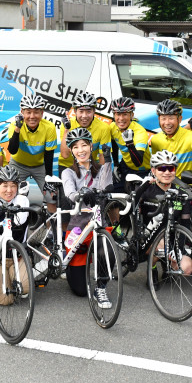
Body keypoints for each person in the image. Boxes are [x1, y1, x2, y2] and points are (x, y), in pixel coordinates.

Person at [60, 128, 114, 307]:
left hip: (98, 222)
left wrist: (108, 162)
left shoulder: (100, 169)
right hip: (78, 225)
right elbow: (69, 192)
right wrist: (79, 195)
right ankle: (71, 269)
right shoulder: (69, 172)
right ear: (72, 151)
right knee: (81, 291)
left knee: (106, 248)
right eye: (75, 147)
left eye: (84, 145)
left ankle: (101, 287)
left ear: (91, 147)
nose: (80, 150)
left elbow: (107, 186)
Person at [142, 151, 192, 282]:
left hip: (172, 240)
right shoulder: (146, 191)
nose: (167, 172)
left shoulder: (182, 194)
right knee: (161, 245)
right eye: (162, 168)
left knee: (186, 267)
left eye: (170, 168)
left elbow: (185, 225)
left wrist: (179, 250)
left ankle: (167, 266)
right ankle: (152, 267)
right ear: (154, 171)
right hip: (149, 238)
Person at [0, 166, 32, 304]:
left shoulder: (22, 201)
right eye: (4, 185)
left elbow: (19, 221)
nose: (9, 190)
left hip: (18, 256)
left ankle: (17, 277)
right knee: (6, 301)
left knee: (24, 288)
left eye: (13, 185)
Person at [7, 94, 57, 210]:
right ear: (22, 112)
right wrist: (17, 129)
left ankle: (52, 227)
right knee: (10, 195)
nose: (32, 116)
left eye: (36, 112)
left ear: (42, 113)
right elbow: (12, 150)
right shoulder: (14, 126)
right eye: (28, 112)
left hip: (40, 166)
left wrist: (48, 180)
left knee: (52, 198)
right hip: (18, 164)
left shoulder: (49, 127)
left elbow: (49, 156)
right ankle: (14, 224)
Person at [150, 99, 192, 177]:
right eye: (163, 119)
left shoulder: (190, 136)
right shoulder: (155, 139)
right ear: (159, 120)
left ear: (180, 119)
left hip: (191, 186)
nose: (167, 123)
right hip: (168, 185)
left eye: (171, 118)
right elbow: (156, 166)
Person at [58, 91, 112, 177]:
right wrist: (66, 129)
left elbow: (103, 156)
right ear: (75, 111)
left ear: (94, 111)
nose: (84, 116)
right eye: (81, 111)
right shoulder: (67, 125)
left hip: (89, 166)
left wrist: (102, 177)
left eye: (88, 111)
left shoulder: (103, 127)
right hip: (67, 166)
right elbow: (65, 155)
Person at [109, 97, 151, 187]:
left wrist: (130, 144)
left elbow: (138, 162)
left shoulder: (140, 132)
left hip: (142, 171)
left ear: (131, 115)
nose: (121, 118)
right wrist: (116, 164)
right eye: (118, 114)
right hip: (125, 166)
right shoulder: (113, 127)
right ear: (114, 115)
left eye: (125, 114)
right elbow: (114, 144)